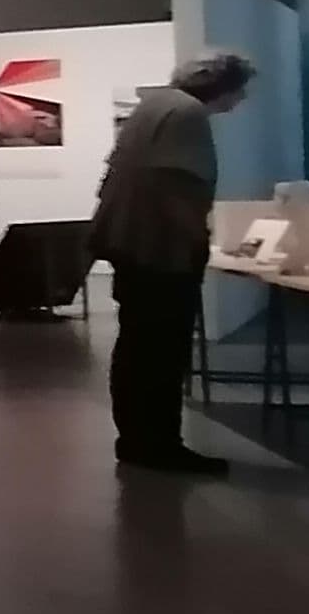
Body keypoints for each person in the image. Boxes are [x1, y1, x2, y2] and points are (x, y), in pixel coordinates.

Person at [89, 49, 259, 476]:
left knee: (137, 346)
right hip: (160, 251)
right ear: (223, 86)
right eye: (240, 90)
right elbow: (177, 189)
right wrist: (198, 241)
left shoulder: (154, 106)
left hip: (131, 244)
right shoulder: (186, 114)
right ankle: (158, 444)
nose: (241, 100)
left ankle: (136, 439)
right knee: (162, 350)